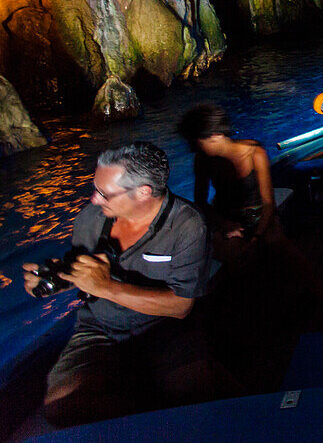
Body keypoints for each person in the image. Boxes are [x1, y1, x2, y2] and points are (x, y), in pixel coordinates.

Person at [22, 142, 210, 426]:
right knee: (61, 407)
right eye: (95, 188)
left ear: (143, 192)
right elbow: (80, 269)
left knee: (195, 396)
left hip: (164, 329)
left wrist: (107, 287)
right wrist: (54, 280)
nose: (94, 199)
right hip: (100, 328)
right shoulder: (90, 218)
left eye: (103, 193)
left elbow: (181, 306)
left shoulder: (188, 225)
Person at [178, 104, 277, 257]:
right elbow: (201, 203)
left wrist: (257, 236)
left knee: (275, 245)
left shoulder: (255, 152)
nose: (196, 148)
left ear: (215, 136)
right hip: (225, 218)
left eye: (198, 142)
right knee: (235, 252)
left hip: (260, 216)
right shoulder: (202, 159)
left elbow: (269, 203)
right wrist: (225, 224)